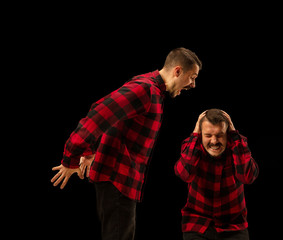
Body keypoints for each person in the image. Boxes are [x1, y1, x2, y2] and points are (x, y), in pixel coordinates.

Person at [51, 47, 202, 240]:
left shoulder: (153, 90)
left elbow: (115, 120)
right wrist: (71, 157)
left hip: (121, 181)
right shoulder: (145, 89)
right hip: (118, 182)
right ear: (178, 71)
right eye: (192, 77)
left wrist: (90, 152)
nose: (193, 84)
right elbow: (99, 113)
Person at [175, 109, 259, 240]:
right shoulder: (192, 148)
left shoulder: (238, 148)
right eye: (208, 135)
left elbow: (247, 177)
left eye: (220, 135)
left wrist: (235, 136)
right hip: (197, 224)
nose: (214, 141)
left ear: (228, 135)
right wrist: (194, 134)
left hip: (234, 226)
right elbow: (184, 174)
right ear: (200, 135)